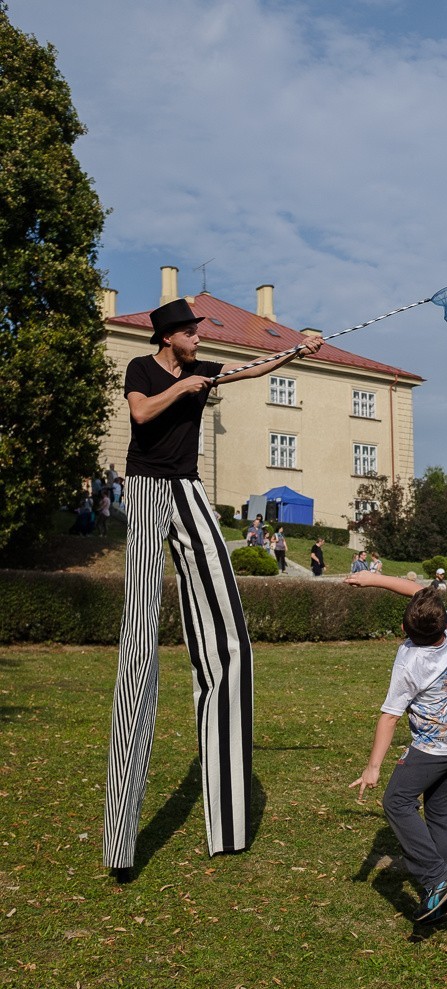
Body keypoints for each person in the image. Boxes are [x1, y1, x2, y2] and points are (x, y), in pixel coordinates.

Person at [103, 297, 321, 877]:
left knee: (230, 644)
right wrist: (186, 387)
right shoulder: (143, 370)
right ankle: (121, 846)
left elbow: (249, 371)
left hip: (190, 492)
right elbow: (142, 416)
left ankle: (227, 827)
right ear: (170, 336)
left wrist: (294, 352)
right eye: (193, 333)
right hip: (146, 489)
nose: (200, 339)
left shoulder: (205, 370)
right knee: (139, 645)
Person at [346, 572, 447, 924]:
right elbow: (418, 591)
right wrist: (371, 578)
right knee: (441, 808)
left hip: (434, 749)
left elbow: (389, 717)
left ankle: (438, 879)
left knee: (396, 802)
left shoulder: (409, 661)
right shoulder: (446, 626)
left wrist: (373, 768)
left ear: (406, 631)